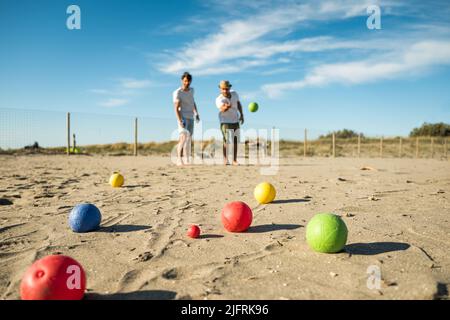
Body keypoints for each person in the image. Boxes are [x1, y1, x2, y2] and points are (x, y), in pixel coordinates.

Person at [173, 72, 200, 166]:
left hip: (190, 117)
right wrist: (180, 120)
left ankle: (186, 159)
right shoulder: (177, 92)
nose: (187, 83)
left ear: (190, 81)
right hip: (182, 117)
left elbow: (193, 102)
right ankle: (179, 159)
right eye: (185, 81)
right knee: (183, 138)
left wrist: (196, 113)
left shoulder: (192, 90)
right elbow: (176, 108)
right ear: (182, 81)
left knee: (188, 139)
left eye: (188, 81)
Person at [215, 80, 244, 165]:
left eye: (226, 89)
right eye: (223, 89)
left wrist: (242, 114)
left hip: (235, 120)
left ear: (229, 88)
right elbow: (222, 109)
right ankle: (225, 160)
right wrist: (227, 106)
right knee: (226, 140)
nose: (225, 91)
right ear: (220, 89)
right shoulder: (219, 99)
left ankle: (234, 160)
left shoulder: (234, 94)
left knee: (235, 141)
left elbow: (238, 103)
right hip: (225, 121)